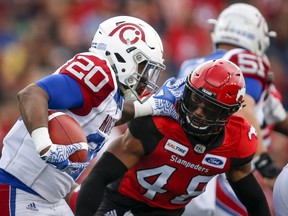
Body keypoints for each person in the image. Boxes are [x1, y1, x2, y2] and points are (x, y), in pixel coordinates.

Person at [0, 16, 166, 216]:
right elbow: (31, 94)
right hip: (20, 188)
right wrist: (45, 145)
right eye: (143, 66)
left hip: (47, 197)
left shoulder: (111, 92)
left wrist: (158, 105)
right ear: (123, 56)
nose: (146, 78)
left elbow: (114, 115)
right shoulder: (100, 70)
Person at [76, 59, 271, 216]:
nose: (198, 112)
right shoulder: (158, 124)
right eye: (195, 99)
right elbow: (99, 176)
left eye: (210, 107)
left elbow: (255, 202)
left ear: (228, 113)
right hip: (122, 201)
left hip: (169, 212)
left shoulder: (237, 142)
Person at [177, 3, 280, 215]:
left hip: (182, 174)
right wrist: (264, 162)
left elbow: (277, 116)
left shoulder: (191, 66)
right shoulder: (245, 61)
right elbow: (243, 108)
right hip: (222, 175)